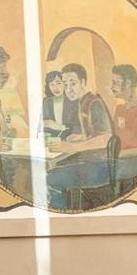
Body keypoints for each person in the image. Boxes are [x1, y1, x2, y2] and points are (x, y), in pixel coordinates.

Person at [46, 63, 116, 209]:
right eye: (65, 84)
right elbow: (93, 135)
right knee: (51, 167)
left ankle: (62, 218)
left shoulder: (93, 102)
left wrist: (74, 146)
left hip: (99, 167)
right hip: (89, 162)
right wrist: (81, 137)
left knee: (48, 178)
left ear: (83, 82)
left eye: (73, 83)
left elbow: (106, 138)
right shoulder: (82, 102)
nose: (69, 89)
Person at [41, 70, 78, 139]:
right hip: (51, 139)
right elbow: (42, 123)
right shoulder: (46, 102)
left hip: (69, 139)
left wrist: (59, 126)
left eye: (58, 83)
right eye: (52, 84)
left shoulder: (72, 100)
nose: (55, 88)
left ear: (64, 84)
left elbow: (76, 127)